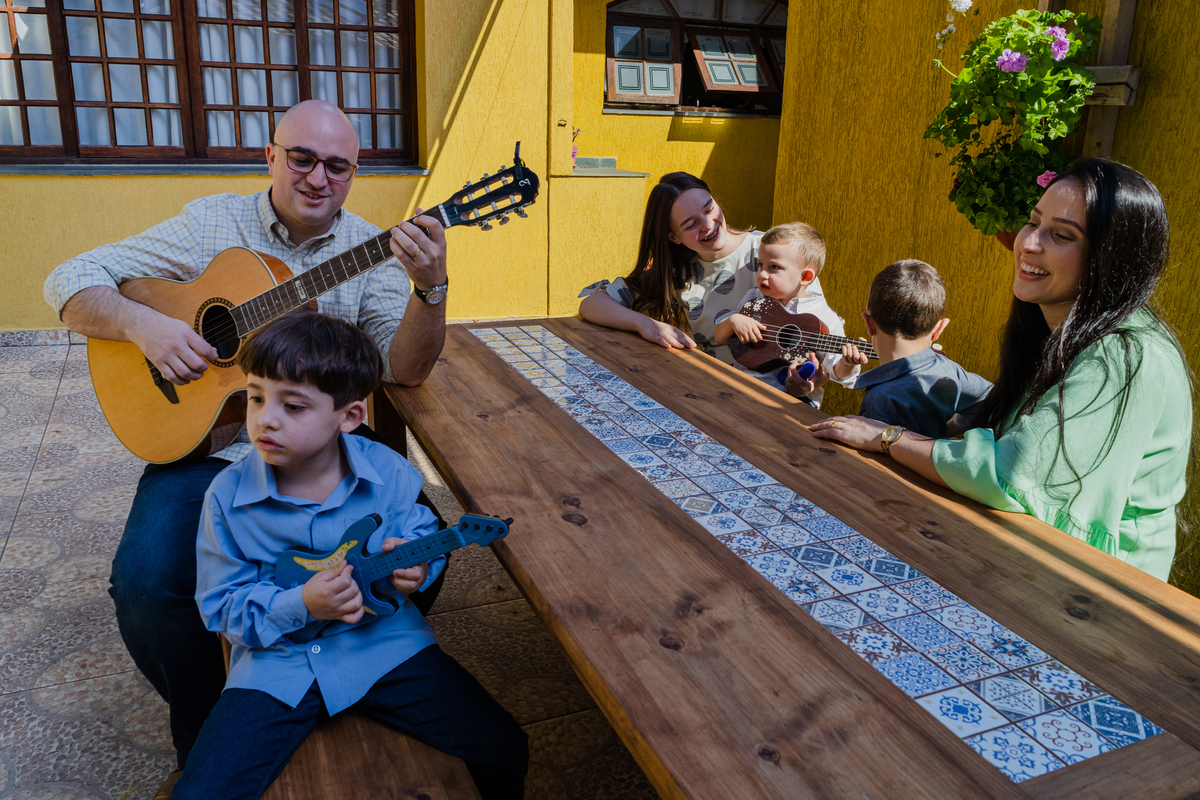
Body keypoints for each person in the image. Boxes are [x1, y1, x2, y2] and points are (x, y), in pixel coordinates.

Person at [42, 100, 450, 795]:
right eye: (302, 158)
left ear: (353, 174)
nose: (318, 177)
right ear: (271, 156)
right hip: (212, 448)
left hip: (322, 460)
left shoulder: (376, 248)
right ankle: (212, 731)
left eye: (337, 166)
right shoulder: (211, 224)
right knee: (146, 585)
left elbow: (403, 369)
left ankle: (327, 683)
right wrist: (146, 327)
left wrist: (430, 288)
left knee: (424, 551)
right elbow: (69, 280)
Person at [174, 313, 527, 800]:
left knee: (505, 749)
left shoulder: (389, 472)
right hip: (278, 666)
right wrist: (300, 604)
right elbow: (220, 607)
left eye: (293, 406)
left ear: (350, 416)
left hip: (386, 648)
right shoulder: (225, 496)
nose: (265, 418)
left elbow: (420, 530)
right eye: (256, 397)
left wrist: (419, 568)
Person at [811, 159, 1192, 582]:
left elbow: (1012, 472)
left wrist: (888, 437)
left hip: (1105, 591)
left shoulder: (1124, 355)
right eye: (1033, 222)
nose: (1029, 243)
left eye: (1062, 235)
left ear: (1113, 258)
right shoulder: (1067, 330)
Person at [577, 172, 829, 400]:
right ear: (673, 237)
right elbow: (592, 304)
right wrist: (645, 324)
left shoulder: (773, 253)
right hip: (711, 395)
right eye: (690, 224)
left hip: (776, 400)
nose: (708, 224)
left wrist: (809, 383)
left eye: (709, 209)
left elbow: (824, 345)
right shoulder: (677, 272)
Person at [839, 259, 992, 437]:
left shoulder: (878, 400)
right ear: (939, 329)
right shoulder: (951, 372)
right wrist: (948, 431)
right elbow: (990, 397)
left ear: (868, 324)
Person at [713, 222, 859, 406]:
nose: (762, 274)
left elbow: (837, 372)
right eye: (761, 265)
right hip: (742, 386)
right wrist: (734, 321)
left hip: (792, 401)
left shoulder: (824, 318)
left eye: (774, 267)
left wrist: (848, 363)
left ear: (805, 277)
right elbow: (719, 337)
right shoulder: (754, 299)